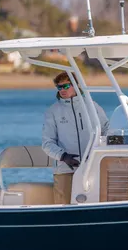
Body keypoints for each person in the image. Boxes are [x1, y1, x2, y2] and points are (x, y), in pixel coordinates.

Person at [41, 71, 109, 204]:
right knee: (63, 209)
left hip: (91, 167)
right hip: (64, 170)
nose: (62, 90)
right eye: (59, 87)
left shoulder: (92, 106)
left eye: (66, 86)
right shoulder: (52, 111)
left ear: (76, 86)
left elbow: (106, 128)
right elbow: (47, 143)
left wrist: (100, 151)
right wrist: (63, 157)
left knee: (93, 205)